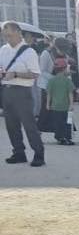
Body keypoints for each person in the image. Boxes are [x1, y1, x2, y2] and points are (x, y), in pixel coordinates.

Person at [1, 21, 45, 166]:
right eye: (5, 36)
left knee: (29, 125)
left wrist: (15, 74)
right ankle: (18, 152)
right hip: (7, 90)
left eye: (10, 35)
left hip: (22, 92)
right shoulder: (3, 50)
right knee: (11, 125)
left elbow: (35, 74)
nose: (7, 39)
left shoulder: (29, 52)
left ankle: (39, 154)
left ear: (19, 33)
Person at [46, 56, 75, 145]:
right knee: (67, 123)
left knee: (57, 123)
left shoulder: (51, 80)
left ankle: (59, 138)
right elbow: (70, 93)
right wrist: (71, 104)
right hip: (66, 107)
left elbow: (49, 94)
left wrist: (47, 104)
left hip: (55, 106)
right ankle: (67, 138)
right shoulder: (67, 81)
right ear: (65, 69)